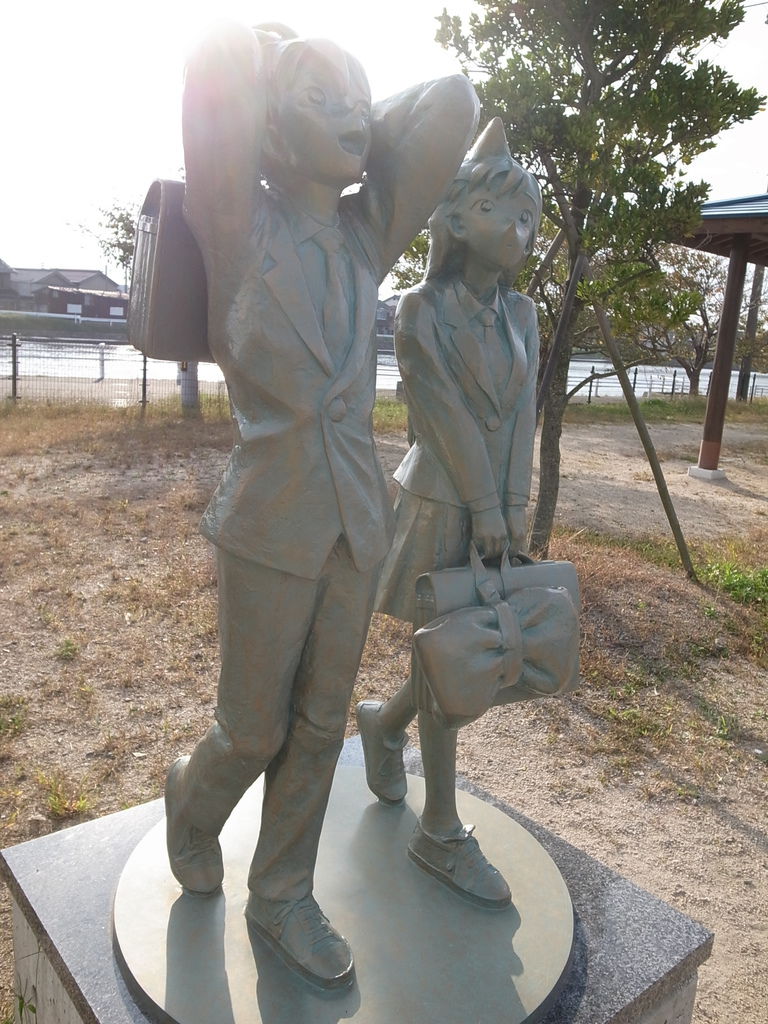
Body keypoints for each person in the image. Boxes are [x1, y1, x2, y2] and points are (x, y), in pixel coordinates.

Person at [163, 20, 479, 990]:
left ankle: (282, 894)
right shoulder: (236, 227)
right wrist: (270, 55)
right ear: (267, 125)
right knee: (251, 729)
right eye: (321, 100)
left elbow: (451, 105)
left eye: (359, 102)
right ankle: (191, 800)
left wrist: (341, 110)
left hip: (354, 523)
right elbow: (212, 71)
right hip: (269, 521)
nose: (351, 116)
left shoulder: (363, 238)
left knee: (319, 723)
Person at [357, 118, 542, 909]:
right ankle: (439, 829)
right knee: (447, 652)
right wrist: (482, 503)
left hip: (494, 506)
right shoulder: (420, 309)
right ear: (458, 220)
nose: (521, 231)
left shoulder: (524, 313)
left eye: (529, 216)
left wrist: (514, 505)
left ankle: (383, 723)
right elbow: (441, 414)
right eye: (502, 212)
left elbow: (523, 415)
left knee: (453, 650)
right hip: (440, 499)